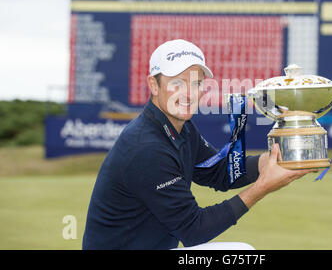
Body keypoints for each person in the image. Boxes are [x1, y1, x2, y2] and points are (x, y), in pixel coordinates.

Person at [82, 39, 316, 250]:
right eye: (177, 83)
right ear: (154, 85)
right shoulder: (146, 148)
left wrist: (275, 158)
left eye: (196, 83)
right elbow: (195, 230)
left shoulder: (180, 126)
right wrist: (262, 186)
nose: (189, 93)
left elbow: (218, 173)